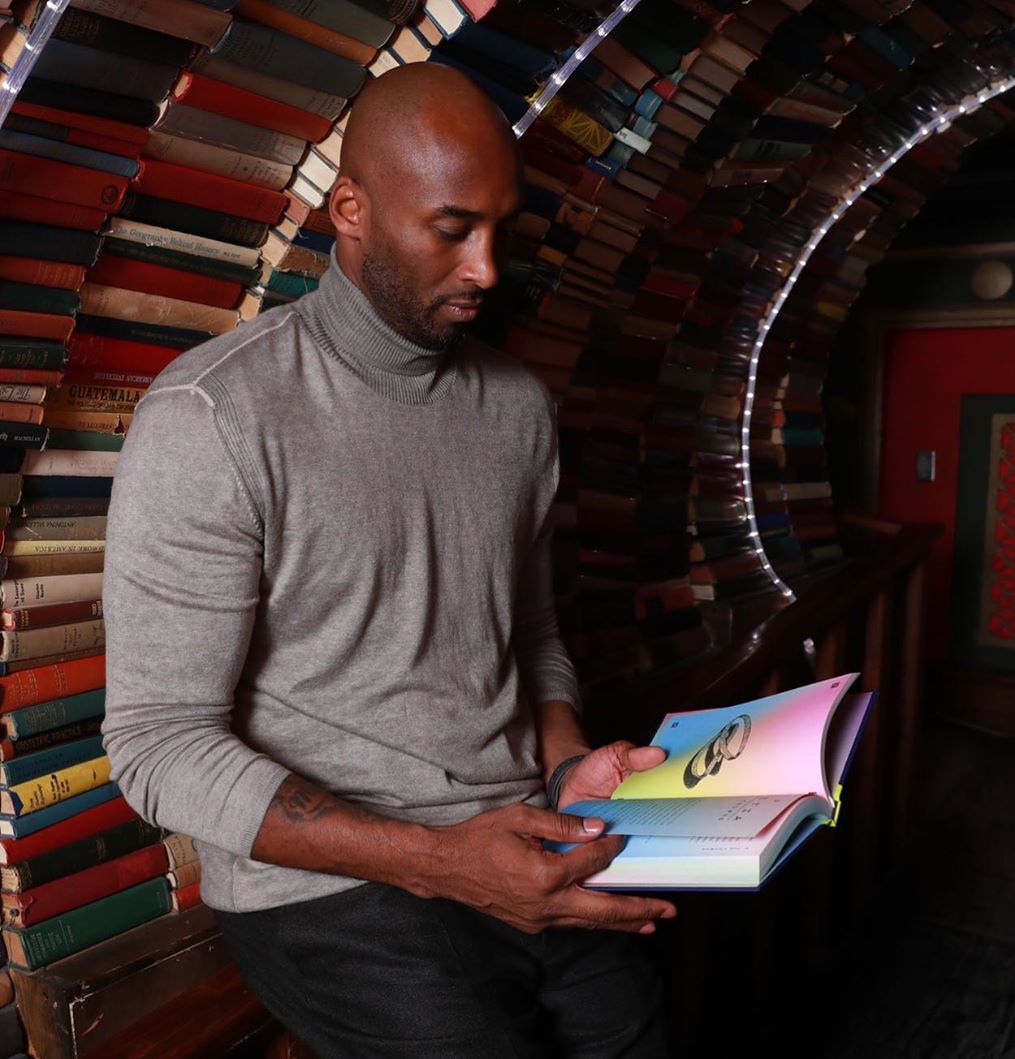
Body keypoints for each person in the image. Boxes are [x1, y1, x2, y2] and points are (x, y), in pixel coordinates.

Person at [101, 63, 677, 1058]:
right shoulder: (212, 417)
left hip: (520, 833)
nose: (487, 270)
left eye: (502, 230)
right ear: (351, 210)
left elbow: (529, 635)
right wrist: (437, 860)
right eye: (452, 229)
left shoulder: (518, 407)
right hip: (325, 888)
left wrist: (568, 764)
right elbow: (157, 746)